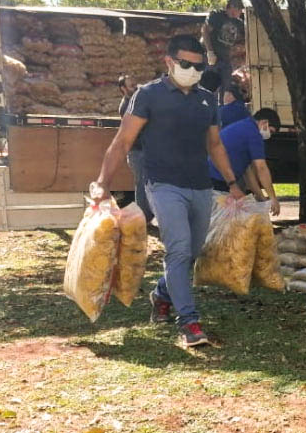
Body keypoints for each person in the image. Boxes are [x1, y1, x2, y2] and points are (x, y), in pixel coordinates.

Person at [89, 35, 245, 348]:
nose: (192, 70)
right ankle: (189, 322)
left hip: (200, 185)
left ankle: (161, 294)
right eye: (185, 64)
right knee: (178, 248)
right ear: (169, 62)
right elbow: (123, 141)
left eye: (198, 66)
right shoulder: (148, 95)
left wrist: (232, 183)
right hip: (162, 184)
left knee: (192, 252)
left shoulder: (206, 99)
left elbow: (214, 145)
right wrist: (102, 183)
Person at [209, 108, 282, 216]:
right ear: (264, 123)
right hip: (217, 179)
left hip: (213, 177)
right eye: (270, 131)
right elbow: (261, 168)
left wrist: (261, 197)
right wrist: (273, 199)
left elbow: (247, 172)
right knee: (221, 220)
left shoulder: (244, 127)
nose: (268, 135)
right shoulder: (254, 134)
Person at [117, 75, 152, 222]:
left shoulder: (136, 101)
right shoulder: (127, 107)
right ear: (123, 89)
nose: (136, 87)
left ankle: (147, 216)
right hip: (137, 152)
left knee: (146, 183)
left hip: (143, 150)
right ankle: (143, 217)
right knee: (142, 184)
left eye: (135, 84)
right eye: (132, 86)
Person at [201, 0, 245, 96]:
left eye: (240, 10)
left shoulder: (238, 23)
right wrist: (210, 52)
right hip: (211, 59)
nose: (238, 13)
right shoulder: (217, 16)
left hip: (225, 60)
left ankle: (221, 109)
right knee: (208, 87)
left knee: (226, 89)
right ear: (230, 7)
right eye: (237, 9)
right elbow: (205, 30)